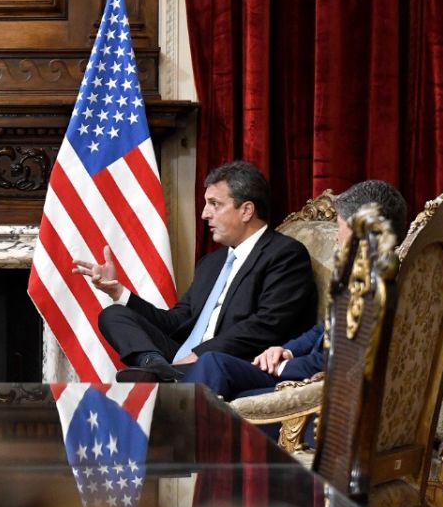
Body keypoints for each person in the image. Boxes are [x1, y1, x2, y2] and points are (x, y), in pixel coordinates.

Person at [72, 161, 317, 382]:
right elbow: (176, 321)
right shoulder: (211, 263)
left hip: (230, 362)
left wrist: (198, 356)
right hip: (181, 359)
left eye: (215, 204)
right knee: (114, 314)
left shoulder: (284, 254)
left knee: (202, 365)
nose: (204, 214)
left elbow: (265, 326)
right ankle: (157, 367)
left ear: (246, 211)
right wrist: (119, 292)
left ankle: (164, 375)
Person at [182, 180, 410, 401]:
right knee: (214, 364)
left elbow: (341, 362)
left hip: (315, 396)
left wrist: (283, 366)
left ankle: (176, 435)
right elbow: (323, 329)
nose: (337, 238)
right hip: (300, 374)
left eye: (341, 228)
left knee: (224, 394)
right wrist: (285, 350)